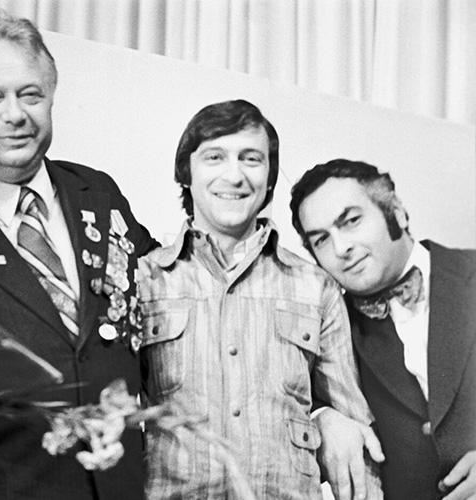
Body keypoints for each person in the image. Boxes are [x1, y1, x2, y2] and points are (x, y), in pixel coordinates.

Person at [0, 8, 157, 500]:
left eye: (30, 94)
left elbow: (168, 303)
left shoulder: (98, 194)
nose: (15, 114)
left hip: (118, 485)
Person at [136, 100, 378, 499]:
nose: (234, 176)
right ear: (186, 173)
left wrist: (329, 416)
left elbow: (352, 433)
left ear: (269, 179)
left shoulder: (315, 286)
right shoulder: (144, 280)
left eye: (251, 159)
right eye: (215, 157)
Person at [290, 159, 476, 500]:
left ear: (398, 213)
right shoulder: (325, 331)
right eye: (321, 240)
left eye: (351, 221)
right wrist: (321, 417)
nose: (341, 248)